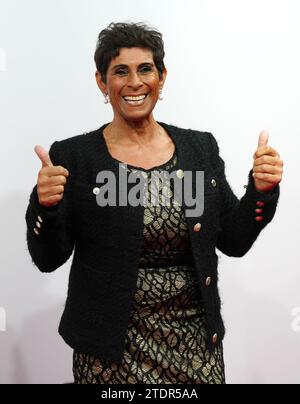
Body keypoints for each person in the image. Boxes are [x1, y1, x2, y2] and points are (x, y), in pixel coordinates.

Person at [25, 22, 283, 384]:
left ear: (162, 78)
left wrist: (262, 190)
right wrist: (44, 205)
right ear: (102, 82)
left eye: (145, 69)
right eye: (120, 71)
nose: (134, 82)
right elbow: (48, 258)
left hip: (194, 345)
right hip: (109, 351)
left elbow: (234, 241)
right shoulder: (75, 156)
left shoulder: (199, 149)